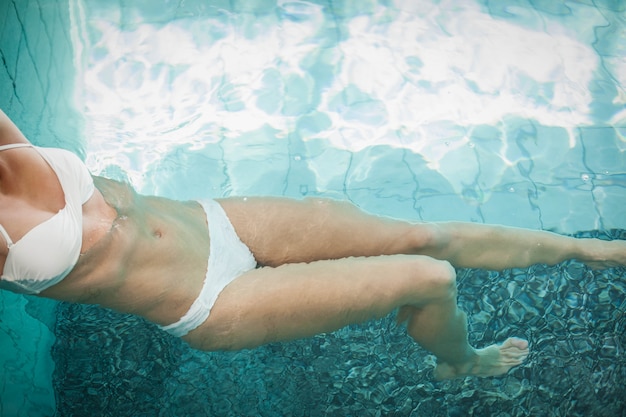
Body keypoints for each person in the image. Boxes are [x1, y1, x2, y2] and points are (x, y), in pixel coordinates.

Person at [0, 109, 624, 381]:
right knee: (429, 276)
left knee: (423, 235)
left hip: (216, 221)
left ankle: (586, 250)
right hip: (212, 298)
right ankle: (459, 363)